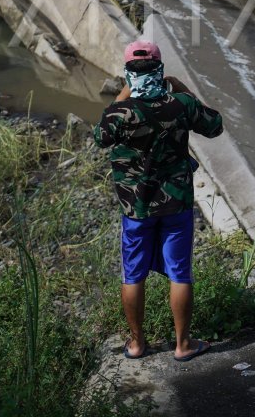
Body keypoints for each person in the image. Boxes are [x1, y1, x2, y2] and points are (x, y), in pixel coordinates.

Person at [93, 40, 224, 361]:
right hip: (176, 205)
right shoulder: (181, 105)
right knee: (180, 272)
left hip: (136, 210)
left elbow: (101, 136)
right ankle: (183, 345)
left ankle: (137, 344)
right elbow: (214, 125)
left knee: (132, 274)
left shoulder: (120, 113)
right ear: (160, 70)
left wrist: (125, 92)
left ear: (128, 73)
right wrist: (184, 89)